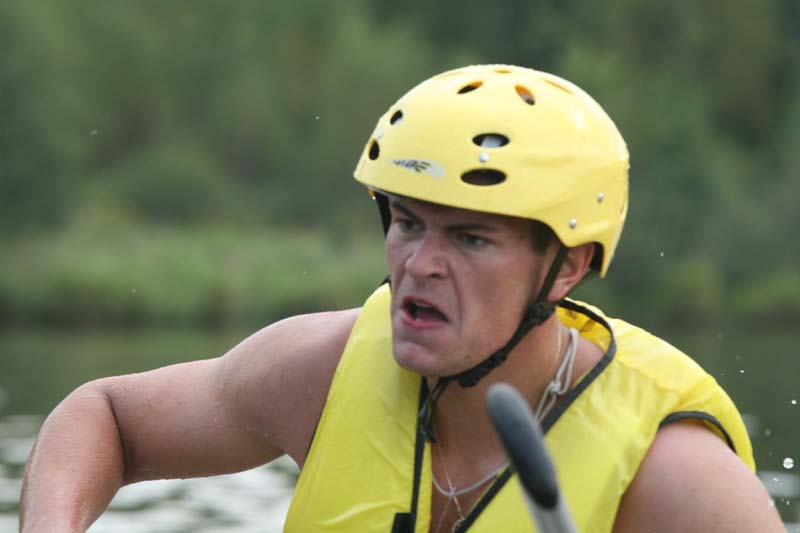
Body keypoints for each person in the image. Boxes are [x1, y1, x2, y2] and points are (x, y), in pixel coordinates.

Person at [20, 65, 782, 533]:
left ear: (568, 268)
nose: (420, 265)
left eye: (471, 239)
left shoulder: (678, 477)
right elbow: (105, 417)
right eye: (409, 224)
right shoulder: (317, 372)